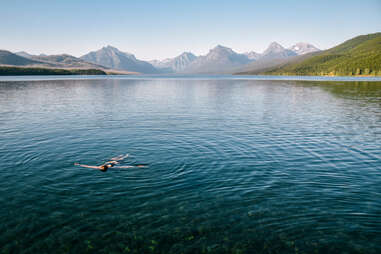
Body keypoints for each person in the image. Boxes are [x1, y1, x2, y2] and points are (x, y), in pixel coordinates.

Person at [74, 154, 147, 172]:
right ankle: (125, 156)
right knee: (116, 159)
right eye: (101, 167)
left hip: (114, 162)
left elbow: (89, 166)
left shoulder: (100, 167)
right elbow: (125, 167)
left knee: (113, 159)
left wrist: (79, 165)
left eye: (100, 167)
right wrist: (137, 166)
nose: (100, 166)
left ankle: (125, 156)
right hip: (116, 163)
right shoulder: (112, 167)